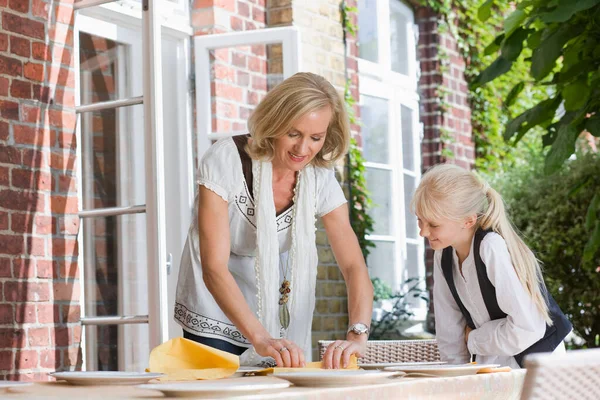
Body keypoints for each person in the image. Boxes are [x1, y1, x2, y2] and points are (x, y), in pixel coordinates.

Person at [174, 72, 373, 369]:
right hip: (214, 301)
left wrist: (358, 333)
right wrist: (260, 337)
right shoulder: (225, 160)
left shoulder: (320, 178)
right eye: (293, 133)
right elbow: (213, 268)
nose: (303, 149)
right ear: (273, 123)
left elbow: (353, 265)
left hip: (269, 301)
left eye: (315, 138)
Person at [411, 164, 571, 368]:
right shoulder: (443, 255)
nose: (423, 232)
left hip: (539, 367)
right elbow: (449, 332)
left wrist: (473, 339)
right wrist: (456, 378)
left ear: (468, 221)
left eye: (433, 224)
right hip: (493, 365)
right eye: (419, 221)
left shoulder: (491, 247)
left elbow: (527, 329)